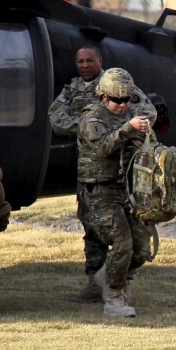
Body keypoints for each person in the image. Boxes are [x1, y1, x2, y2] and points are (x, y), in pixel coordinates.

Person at [49, 45, 156, 303]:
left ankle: (115, 281)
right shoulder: (74, 91)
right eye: (80, 61)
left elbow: (148, 112)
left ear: (100, 61)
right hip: (91, 171)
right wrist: (89, 130)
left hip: (123, 176)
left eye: (90, 61)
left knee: (134, 243)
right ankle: (97, 283)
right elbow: (55, 117)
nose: (84, 65)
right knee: (93, 230)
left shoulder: (117, 85)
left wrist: (122, 128)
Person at [76, 68, 155, 318]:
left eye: (126, 100)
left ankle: (105, 276)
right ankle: (113, 297)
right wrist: (128, 130)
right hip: (99, 190)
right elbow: (102, 148)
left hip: (126, 188)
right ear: (103, 97)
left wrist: (143, 140)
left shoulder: (131, 114)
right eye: (116, 100)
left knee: (142, 248)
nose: (122, 105)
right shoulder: (93, 119)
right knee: (122, 242)